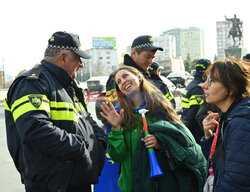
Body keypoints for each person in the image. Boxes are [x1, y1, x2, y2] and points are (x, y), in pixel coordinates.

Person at [4, 31, 107, 192]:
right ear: (63, 57)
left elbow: (87, 121)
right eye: (78, 58)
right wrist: (82, 147)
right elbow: (35, 129)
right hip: (53, 185)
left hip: (76, 181)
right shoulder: (32, 82)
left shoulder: (67, 86)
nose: (81, 64)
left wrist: (100, 144)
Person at [100, 66, 207, 192]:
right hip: (133, 186)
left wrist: (160, 143)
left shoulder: (160, 106)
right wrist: (116, 128)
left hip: (163, 185)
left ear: (139, 77)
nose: (123, 82)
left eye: (125, 76)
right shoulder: (120, 115)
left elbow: (180, 140)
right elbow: (117, 157)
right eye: (119, 82)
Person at [200, 57, 250, 192]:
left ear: (231, 88)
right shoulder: (229, 115)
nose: (204, 85)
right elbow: (218, 163)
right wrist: (209, 137)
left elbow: (236, 181)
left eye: (212, 81)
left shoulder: (241, 122)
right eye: (205, 80)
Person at [105, 35, 175, 108]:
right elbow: (113, 111)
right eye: (147, 57)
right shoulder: (117, 79)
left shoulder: (151, 76)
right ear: (134, 53)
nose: (150, 61)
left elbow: (171, 106)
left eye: (152, 57)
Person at [181, 58, 211, 143]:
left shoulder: (192, 84)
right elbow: (195, 112)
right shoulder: (198, 88)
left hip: (188, 124)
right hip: (196, 129)